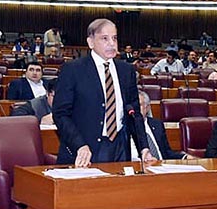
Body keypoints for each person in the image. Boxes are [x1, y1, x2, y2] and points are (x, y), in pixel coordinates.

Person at [52, 18, 152, 166]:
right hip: (86, 148)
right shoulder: (72, 70)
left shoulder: (126, 70)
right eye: (104, 38)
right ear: (90, 42)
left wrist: (143, 147)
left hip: (120, 147)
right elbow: (61, 114)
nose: (112, 43)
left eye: (114, 38)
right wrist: (79, 145)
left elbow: (134, 112)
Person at [131, 92, 192, 161]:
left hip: (162, 166)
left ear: (147, 107)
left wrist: (185, 157)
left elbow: (167, 153)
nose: (135, 109)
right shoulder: (125, 129)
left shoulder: (157, 124)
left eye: (138, 105)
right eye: (132, 106)